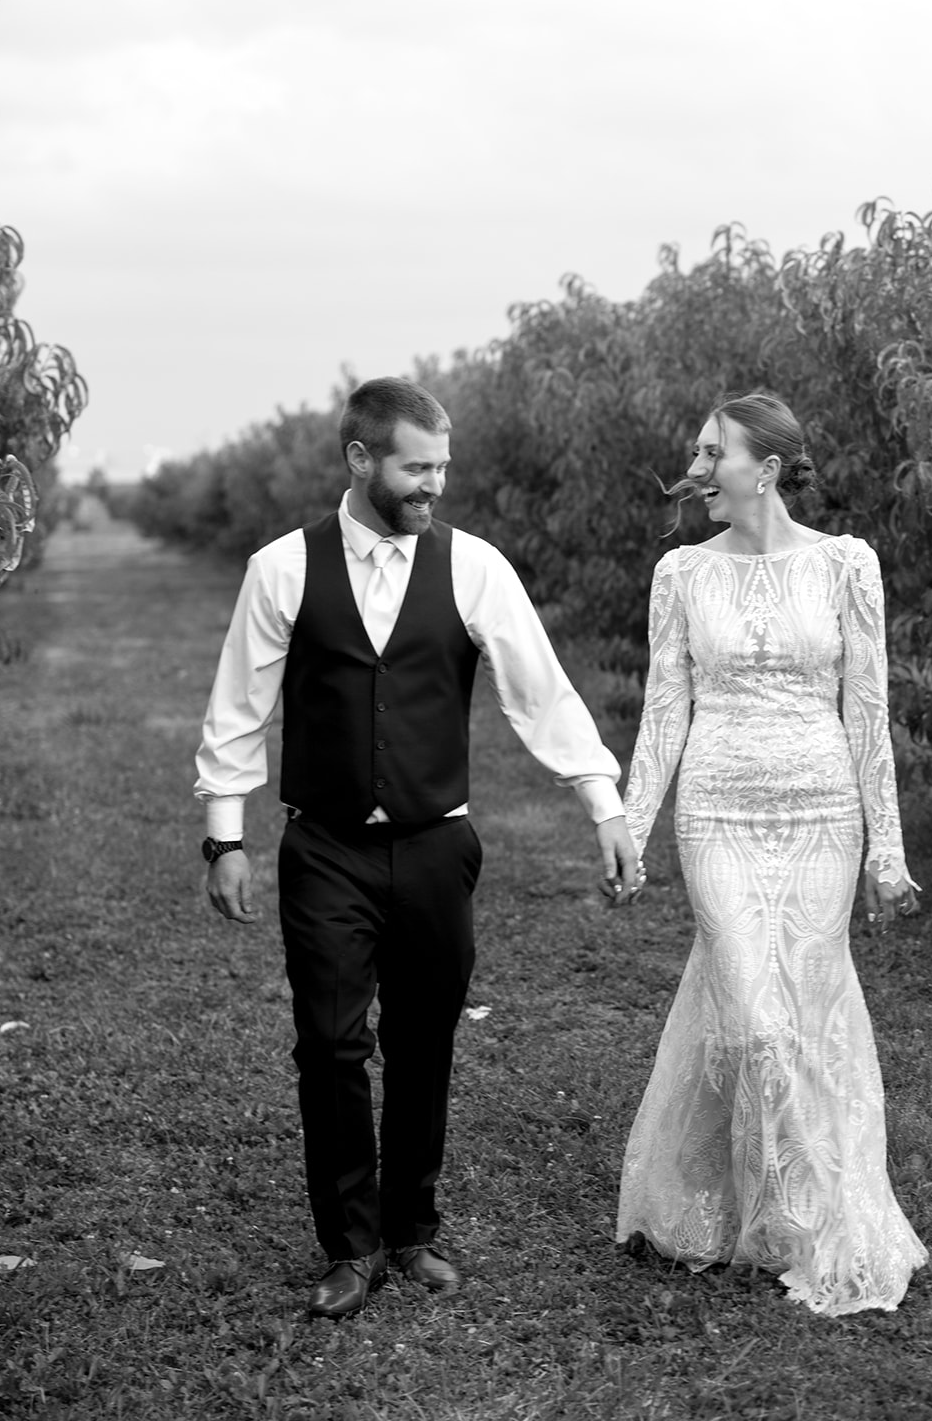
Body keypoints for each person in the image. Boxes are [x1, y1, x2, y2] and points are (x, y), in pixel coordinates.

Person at [195, 376, 639, 1320]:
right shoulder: (281, 568)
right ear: (360, 460)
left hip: (437, 848)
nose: (434, 484)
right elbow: (238, 709)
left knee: (424, 1039)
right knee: (329, 1044)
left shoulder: (474, 566)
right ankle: (348, 1245)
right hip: (324, 848)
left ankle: (411, 1229)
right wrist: (224, 836)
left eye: (442, 467)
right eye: (416, 467)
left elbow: (541, 694)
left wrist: (602, 803)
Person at [617, 390, 927, 1316]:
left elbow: (866, 710)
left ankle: (806, 1212)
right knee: (753, 1017)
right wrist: (630, 828)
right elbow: (663, 710)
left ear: (769, 469)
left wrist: (885, 851)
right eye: (697, 452)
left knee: (804, 1011)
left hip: (822, 814)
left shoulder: (845, 564)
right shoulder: (680, 573)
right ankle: (797, 1207)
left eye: (712, 453)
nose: (696, 469)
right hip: (716, 813)